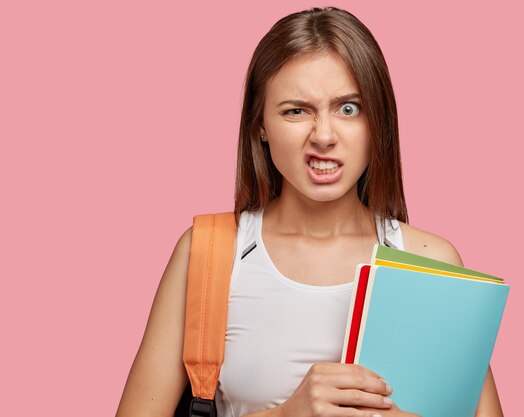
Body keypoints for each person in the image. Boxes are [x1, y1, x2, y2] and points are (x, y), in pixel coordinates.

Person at [116, 7, 503, 417]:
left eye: (349, 108)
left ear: (379, 121)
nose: (323, 136)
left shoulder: (429, 262)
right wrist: (286, 414)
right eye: (296, 111)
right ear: (259, 126)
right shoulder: (210, 255)